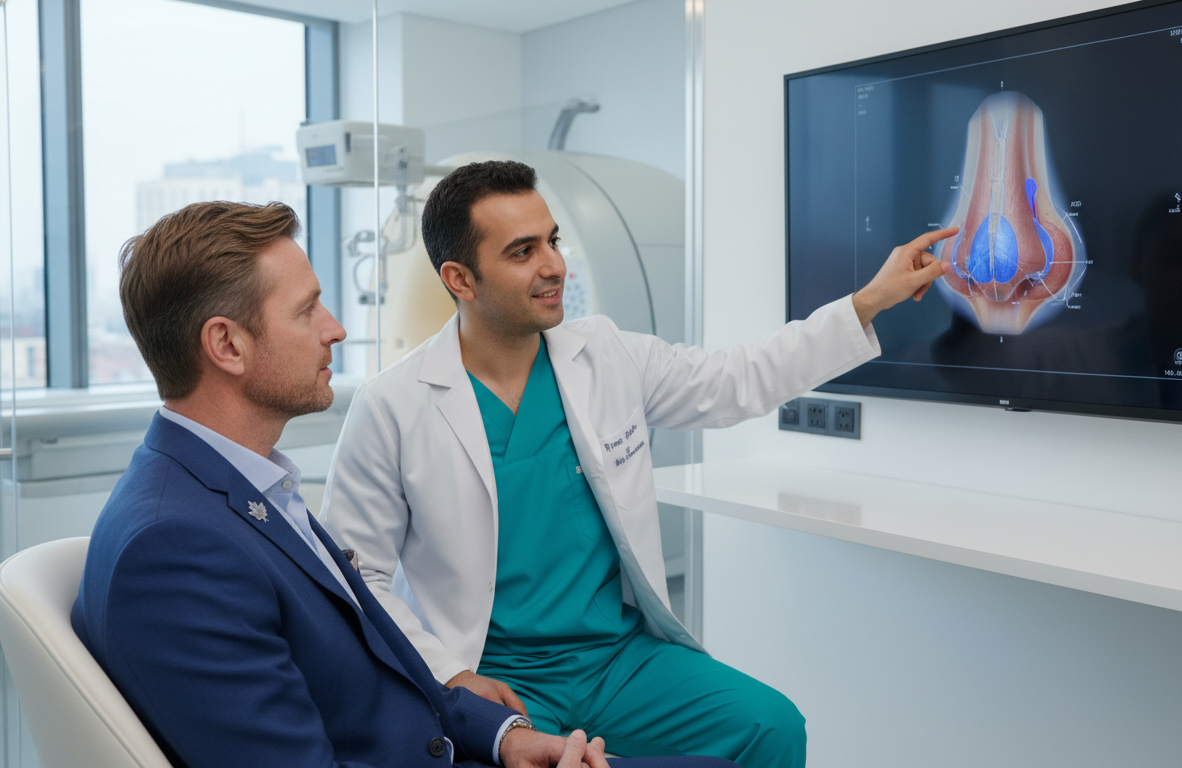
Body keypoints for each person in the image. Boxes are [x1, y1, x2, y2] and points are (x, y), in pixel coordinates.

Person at [323, 161, 956, 768]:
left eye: (553, 241)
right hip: (499, 676)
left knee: (771, 726)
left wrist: (869, 302)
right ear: (460, 279)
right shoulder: (393, 405)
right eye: (522, 252)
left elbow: (738, 378)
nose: (553, 267)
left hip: (616, 659)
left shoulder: (604, 354)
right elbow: (360, 575)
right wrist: (453, 675)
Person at [70, 200, 735, 768]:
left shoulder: (245, 490)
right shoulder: (175, 549)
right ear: (227, 346)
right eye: (307, 312)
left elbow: (370, 673)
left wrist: (507, 739)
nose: (335, 329)